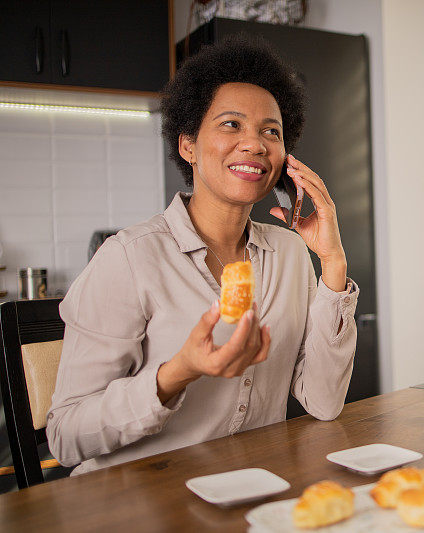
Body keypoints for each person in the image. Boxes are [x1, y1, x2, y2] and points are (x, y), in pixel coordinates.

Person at [46, 36, 359, 475]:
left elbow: (324, 404)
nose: (255, 144)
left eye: (271, 131)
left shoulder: (290, 252)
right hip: (138, 503)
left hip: (252, 492)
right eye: (231, 124)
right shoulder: (129, 258)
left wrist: (334, 265)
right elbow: (65, 437)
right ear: (188, 145)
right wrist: (178, 372)